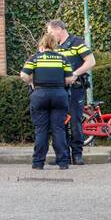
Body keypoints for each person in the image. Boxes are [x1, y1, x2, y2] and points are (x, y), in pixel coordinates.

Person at [20, 33, 74, 170]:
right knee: (59, 129)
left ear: (42, 44)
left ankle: (38, 163)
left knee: (41, 130)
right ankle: (63, 162)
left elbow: (24, 75)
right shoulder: (62, 59)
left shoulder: (35, 58)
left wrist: (31, 82)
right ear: (54, 44)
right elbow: (69, 79)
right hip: (59, 95)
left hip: (40, 95)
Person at [47, 19, 95, 165]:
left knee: (75, 122)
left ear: (58, 29)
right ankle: (62, 155)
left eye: (50, 32)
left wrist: (75, 74)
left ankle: (77, 155)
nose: (49, 35)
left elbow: (91, 61)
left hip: (75, 89)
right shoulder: (54, 46)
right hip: (58, 90)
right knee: (59, 123)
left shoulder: (77, 42)